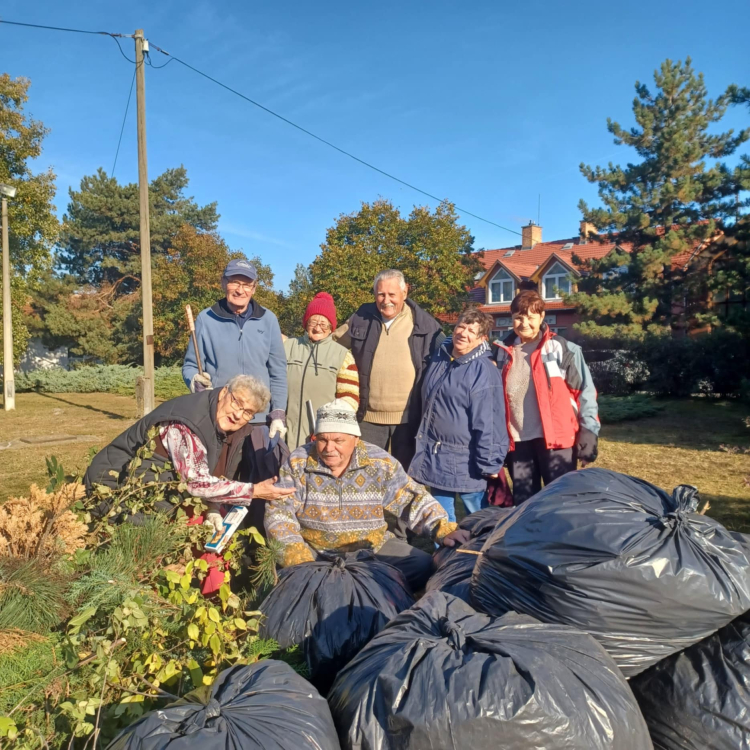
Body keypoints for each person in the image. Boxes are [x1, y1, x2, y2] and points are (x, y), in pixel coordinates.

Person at [264, 400, 470, 591]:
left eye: (338, 440)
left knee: (425, 566)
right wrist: (298, 558)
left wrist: (441, 527)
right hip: (317, 554)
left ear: (355, 439)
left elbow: (411, 498)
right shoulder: (299, 462)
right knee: (301, 586)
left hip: (373, 550)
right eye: (322, 440)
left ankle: (374, 592)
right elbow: (279, 513)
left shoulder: (379, 462)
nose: (329, 448)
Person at [84, 375, 295, 526]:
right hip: (115, 490)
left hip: (154, 492)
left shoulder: (229, 430)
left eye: (248, 412)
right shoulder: (187, 422)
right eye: (237, 403)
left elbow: (213, 474)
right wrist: (254, 491)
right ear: (223, 393)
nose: (238, 415)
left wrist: (212, 508)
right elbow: (196, 483)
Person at [494, 290, 599, 505]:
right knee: (525, 504)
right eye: (518, 318)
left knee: (561, 502)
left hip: (557, 441)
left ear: (542, 317)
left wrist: (589, 432)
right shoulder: (501, 352)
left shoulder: (563, 349)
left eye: (531, 317)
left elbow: (585, 392)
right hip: (518, 442)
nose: (525, 323)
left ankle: (561, 539)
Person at [333, 269, 444, 471]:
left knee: (405, 479)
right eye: (381, 294)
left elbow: (449, 354)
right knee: (367, 475)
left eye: (392, 295)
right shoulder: (360, 317)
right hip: (368, 417)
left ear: (405, 292)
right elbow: (332, 345)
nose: (386, 300)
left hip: (408, 418)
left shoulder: (425, 324)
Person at [409, 309, 509, 522]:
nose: (463, 333)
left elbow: (490, 422)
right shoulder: (441, 358)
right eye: (460, 327)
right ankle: (444, 556)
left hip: (467, 462)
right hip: (437, 455)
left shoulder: (483, 372)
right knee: (441, 520)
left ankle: (480, 554)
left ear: (482, 339)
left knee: (477, 520)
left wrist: (490, 462)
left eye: (471, 330)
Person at [182, 258, 288, 439]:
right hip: (221, 416)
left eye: (247, 285)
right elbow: (190, 365)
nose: (240, 290)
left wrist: (278, 412)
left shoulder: (268, 319)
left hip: (259, 420)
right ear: (224, 283)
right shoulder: (206, 319)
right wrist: (195, 381)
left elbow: (278, 371)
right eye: (235, 283)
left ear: (254, 288)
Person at [283, 292, 359, 450]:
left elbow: (349, 400)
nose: (318, 328)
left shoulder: (343, 355)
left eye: (324, 323)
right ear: (306, 323)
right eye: (313, 322)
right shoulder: (288, 347)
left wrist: (329, 427)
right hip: (284, 436)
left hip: (321, 439)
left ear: (331, 326)